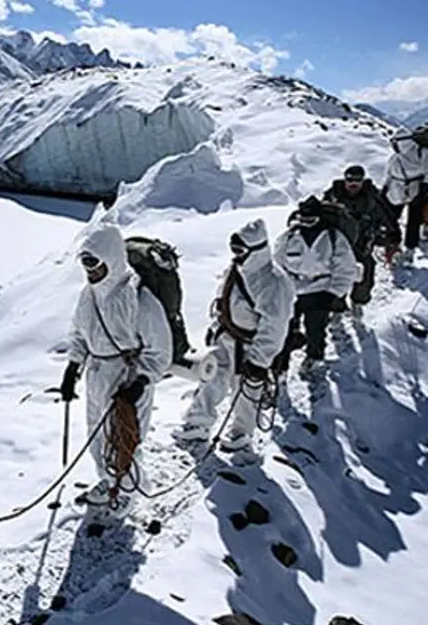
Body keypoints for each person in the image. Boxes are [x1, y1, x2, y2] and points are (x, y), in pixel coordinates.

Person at [58, 224, 173, 518]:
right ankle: (108, 481)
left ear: (111, 259)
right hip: (97, 374)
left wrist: (142, 381)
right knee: (97, 436)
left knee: (125, 437)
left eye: (95, 264)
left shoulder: (139, 299)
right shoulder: (89, 295)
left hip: (127, 377)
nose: (90, 272)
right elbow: (80, 333)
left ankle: (128, 491)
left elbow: (159, 350)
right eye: (86, 264)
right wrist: (73, 365)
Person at [174, 219, 295, 465]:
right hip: (226, 338)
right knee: (212, 379)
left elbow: (275, 326)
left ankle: (241, 435)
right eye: (234, 251)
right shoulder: (237, 270)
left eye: (240, 251)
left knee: (247, 392)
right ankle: (198, 423)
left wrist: (260, 360)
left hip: (251, 346)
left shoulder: (274, 282)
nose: (236, 256)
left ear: (257, 250)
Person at [275, 196, 360, 371]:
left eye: (310, 219)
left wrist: (334, 293)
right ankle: (280, 364)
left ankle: (314, 358)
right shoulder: (289, 237)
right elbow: (278, 264)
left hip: (321, 290)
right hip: (293, 290)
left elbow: (346, 268)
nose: (306, 223)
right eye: (303, 219)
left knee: (315, 329)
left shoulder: (334, 238)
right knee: (285, 329)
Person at [323, 165, 394, 315]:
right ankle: (337, 308)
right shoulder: (333, 196)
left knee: (365, 273)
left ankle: (358, 303)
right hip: (339, 245)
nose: (353, 184)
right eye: (349, 180)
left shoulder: (372, 198)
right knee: (336, 276)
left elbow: (387, 216)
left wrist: (392, 235)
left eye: (357, 180)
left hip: (362, 243)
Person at [382, 128, 428, 265]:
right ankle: (396, 246)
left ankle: (407, 249)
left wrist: (423, 192)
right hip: (402, 189)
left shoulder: (422, 154)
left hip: (409, 190)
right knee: (395, 219)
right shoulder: (403, 156)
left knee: (410, 221)